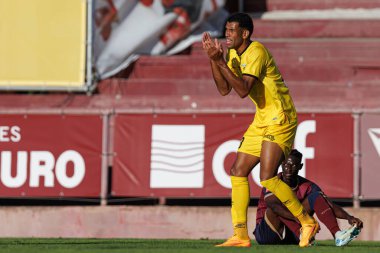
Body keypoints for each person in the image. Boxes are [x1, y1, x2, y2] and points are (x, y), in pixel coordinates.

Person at [202, 12, 319, 248]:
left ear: (245, 33)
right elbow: (224, 89)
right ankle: (241, 235)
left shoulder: (256, 51)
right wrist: (214, 60)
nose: (226, 34)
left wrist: (221, 62)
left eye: (231, 30)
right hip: (263, 117)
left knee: (266, 177)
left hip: (281, 116)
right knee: (237, 170)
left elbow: (243, 90)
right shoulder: (234, 53)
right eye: (226, 30)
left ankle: (307, 222)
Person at [254, 149, 363, 246]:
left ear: (300, 167)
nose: (289, 169)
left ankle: (338, 235)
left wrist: (349, 217)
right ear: (282, 164)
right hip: (267, 234)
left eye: (293, 165)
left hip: (293, 234)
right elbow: (274, 206)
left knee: (316, 196)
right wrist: (298, 217)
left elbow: (328, 204)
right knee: (279, 205)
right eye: (286, 165)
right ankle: (302, 234)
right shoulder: (273, 183)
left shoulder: (308, 186)